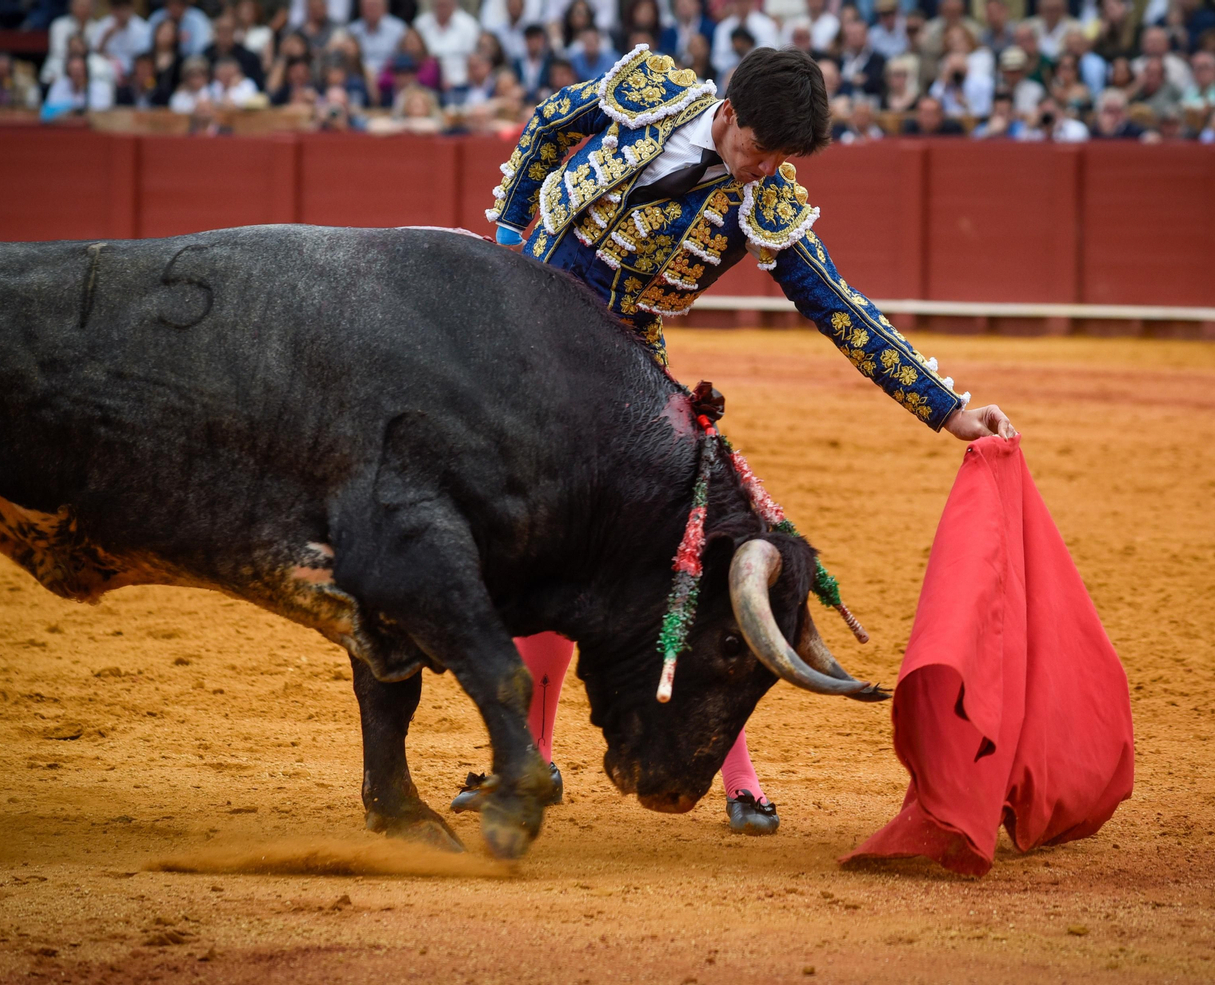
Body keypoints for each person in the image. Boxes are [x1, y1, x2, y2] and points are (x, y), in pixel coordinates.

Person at [477, 45, 1015, 834]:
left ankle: (740, 773)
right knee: (531, 548)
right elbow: (551, 125)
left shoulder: (766, 202)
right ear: (726, 115)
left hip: (620, 373)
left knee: (689, 558)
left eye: (781, 160)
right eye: (759, 150)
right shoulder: (647, 92)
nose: (764, 170)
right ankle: (530, 761)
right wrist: (507, 233)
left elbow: (839, 307)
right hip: (518, 339)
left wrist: (950, 409)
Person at [415, 0, 482, 89]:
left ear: (455, 4)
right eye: (440, 5)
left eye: (446, 5)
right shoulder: (420, 24)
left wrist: (459, 81)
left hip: (461, 85)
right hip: (426, 84)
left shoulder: (469, 25)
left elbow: (474, 59)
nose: (443, 9)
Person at [90, 0, 152, 82]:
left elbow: (143, 57)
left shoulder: (142, 28)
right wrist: (105, 38)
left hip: (133, 73)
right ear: (111, 10)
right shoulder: (104, 25)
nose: (121, 12)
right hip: (108, 71)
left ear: (131, 8)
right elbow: (95, 53)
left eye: (124, 8)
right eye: (117, 8)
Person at [713, 0, 779, 75]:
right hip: (730, 74)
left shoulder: (767, 25)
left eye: (746, 1)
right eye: (739, 2)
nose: (743, 5)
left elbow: (770, 53)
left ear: (753, 2)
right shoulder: (723, 27)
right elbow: (718, 59)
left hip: (760, 71)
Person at [42, 51, 114, 116]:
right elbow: (47, 113)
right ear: (68, 72)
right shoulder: (60, 85)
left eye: (79, 70)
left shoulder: (99, 88)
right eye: (73, 70)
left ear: (86, 72)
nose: (77, 74)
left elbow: (102, 113)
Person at [147, 0, 214, 57]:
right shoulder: (156, 18)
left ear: (185, 6)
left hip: (188, 61)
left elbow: (200, 49)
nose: (175, 8)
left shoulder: (198, 19)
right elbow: (147, 46)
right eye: (171, 4)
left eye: (179, 4)